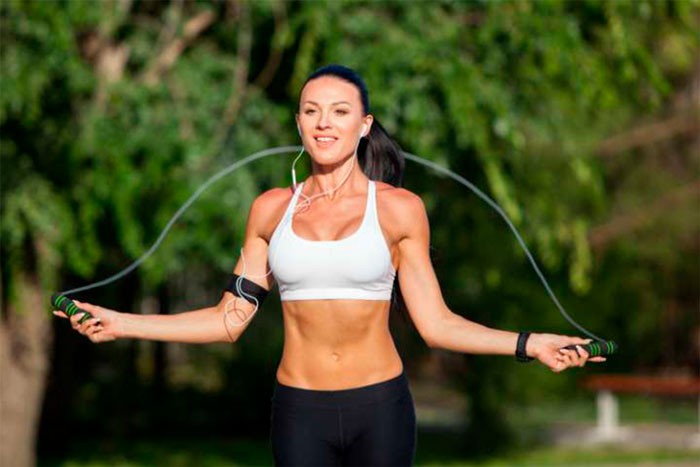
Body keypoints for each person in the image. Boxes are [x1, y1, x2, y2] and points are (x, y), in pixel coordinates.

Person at [54, 64, 605, 466]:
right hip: (299, 412)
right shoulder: (270, 210)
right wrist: (121, 323)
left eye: (340, 112)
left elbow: (437, 325)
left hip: (380, 408)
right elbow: (228, 320)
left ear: (364, 125)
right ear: (298, 122)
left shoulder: (398, 209)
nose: (324, 123)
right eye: (311, 111)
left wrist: (530, 343)